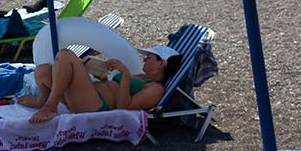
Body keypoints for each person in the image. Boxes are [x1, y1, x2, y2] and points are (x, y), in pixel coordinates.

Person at [18, 44, 181, 124]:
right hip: (90, 95)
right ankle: (43, 101)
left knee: (66, 55)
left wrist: (124, 75)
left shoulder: (155, 89)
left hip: (95, 105)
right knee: (43, 70)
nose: (145, 59)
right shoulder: (142, 77)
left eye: (149, 57)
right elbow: (115, 88)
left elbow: (124, 108)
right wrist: (102, 78)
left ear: (162, 64)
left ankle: (50, 106)